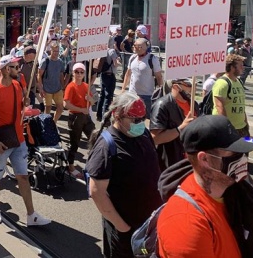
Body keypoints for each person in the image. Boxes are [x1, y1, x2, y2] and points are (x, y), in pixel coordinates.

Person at [156, 115, 253, 258]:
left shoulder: (240, 191)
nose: (243, 157)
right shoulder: (186, 224)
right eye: (234, 152)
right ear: (205, 159)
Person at [86, 92, 162, 257]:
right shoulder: (106, 146)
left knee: (144, 254)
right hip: (126, 231)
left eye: (142, 119)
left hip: (148, 226)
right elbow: (96, 191)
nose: (140, 123)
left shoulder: (144, 134)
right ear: (117, 116)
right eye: (135, 120)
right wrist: (122, 227)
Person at [0, 55, 51, 227]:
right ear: (5, 69)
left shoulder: (18, 86)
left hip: (19, 140)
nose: (18, 69)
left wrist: (24, 105)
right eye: (15, 67)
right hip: (1, 142)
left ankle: (31, 215)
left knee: (23, 177)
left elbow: (19, 109)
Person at [150, 79, 197, 171]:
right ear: (176, 86)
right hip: (170, 163)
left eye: (194, 84)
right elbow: (155, 139)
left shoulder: (193, 104)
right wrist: (181, 128)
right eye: (189, 85)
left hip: (190, 161)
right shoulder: (162, 105)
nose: (193, 88)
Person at [63, 62, 95, 178]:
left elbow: (93, 102)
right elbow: (66, 104)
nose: (79, 74)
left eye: (81, 72)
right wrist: (81, 109)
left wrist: (90, 99)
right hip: (75, 117)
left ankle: (94, 164)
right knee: (74, 143)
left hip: (86, 117)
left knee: (95, 138)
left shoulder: (86, 86)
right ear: (73, 73)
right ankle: (70, 166)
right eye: (77, 72)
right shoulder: (70, 86)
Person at [121, 38, 163, 118]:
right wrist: (123, 89)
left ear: (145, 47)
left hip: (147, 96)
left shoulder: (152, 59)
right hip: (132, 94)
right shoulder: (132, 58)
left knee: (145, 118)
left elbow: (159, 76)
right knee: (131, 117)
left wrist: (161, 91)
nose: (135, 48)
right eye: (134, 46)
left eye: (138, 46)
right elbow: (128, 74)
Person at [212, 54, 249, 136]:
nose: (243, 68)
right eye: (240, 66)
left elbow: (241, 105)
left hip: (241, 127)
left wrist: (245, 123)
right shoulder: (222, 83)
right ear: (232, 67)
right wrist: (227, 127)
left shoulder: (239, 82)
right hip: (229, 128)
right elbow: (219, 107)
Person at [37, 41, 65, 122]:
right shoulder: (45, 61)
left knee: (60, 108)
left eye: (57, 51)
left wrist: (63, 87)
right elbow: (39, 75)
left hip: (58, 88)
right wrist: (41, 88)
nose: (56, 53)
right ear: (50, 51)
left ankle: (54, 123)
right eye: (54, 51)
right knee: (48, 108)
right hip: (47, 89)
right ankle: (46, 125)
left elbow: (61, 75)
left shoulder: (60, 62)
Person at [96, 45, 121, 121]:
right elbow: (116, 64)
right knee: (108, 97)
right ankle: (105, 118)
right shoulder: (112, 51)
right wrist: (119, 61)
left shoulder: (101, 50)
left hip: (103, 75)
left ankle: (99, 115)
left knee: (102, 95)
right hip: (110, 75)